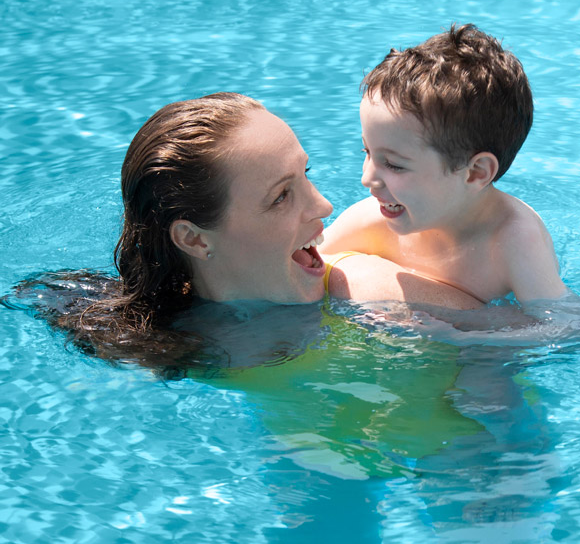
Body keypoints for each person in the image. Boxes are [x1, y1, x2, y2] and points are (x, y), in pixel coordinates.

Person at [5, 92, 480, 361]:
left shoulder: (373, 295)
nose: (325, 206)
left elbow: (543, 342)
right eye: (280, 197)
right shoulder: (158, 338)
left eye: (305, 176)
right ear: (193, 239)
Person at [320, 24, 568, 305]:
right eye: (367, 151)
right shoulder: (374, 220)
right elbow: (295, 267)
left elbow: (570, 328)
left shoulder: (513, 240)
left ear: (476, 173)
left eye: (394, 164)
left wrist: (458, 330)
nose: (367, 178)